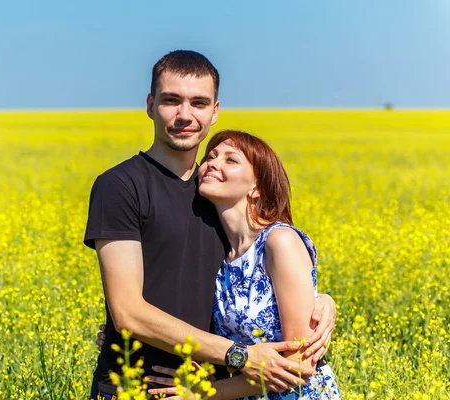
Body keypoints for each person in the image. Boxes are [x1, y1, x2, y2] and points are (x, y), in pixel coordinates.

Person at [84, 50, 337, 400]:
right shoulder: (121, 186)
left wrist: (322, 302)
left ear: (215, 111)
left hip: (212, 390)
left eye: (199, 103)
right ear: (149, 104)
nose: (184, 115)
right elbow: (129, 313)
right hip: (134, 388)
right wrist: (239, 355)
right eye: (171, 100)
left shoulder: (217, 197)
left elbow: (267, 273)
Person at [144, 130, 341, 399]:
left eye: (230, 160)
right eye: (211, 156)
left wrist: (205, 393)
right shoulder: (220, 255)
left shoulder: (279, 242)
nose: (212, 163)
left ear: (257, 187)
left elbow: (299, 366)